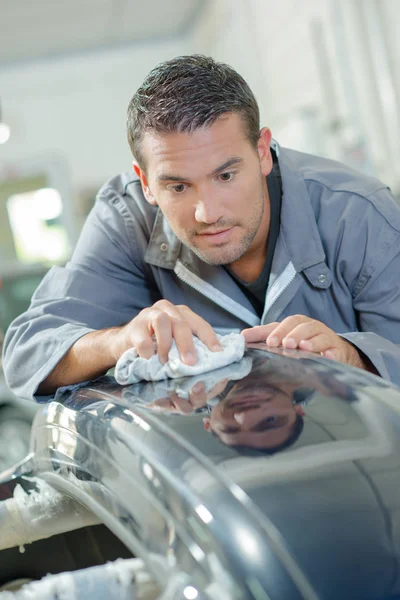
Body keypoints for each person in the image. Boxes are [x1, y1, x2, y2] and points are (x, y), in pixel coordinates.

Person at [3, 55, 400, 402]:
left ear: (262, 151)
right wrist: (122, 339)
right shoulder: (127, 220)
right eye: (177, 186)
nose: (207, 213)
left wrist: (353, 357)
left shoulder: (358, 214)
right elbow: (26, 355)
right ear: (145, 182)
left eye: (225, 175)